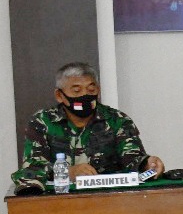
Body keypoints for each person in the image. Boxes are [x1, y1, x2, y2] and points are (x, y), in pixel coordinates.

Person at [11, 62, 164, 194]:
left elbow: (132, 159)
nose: (85, 95)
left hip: (110, 198)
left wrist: (147, 163)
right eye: (76, 91)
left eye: (91, 90)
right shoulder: (43, 121)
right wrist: (67, 172)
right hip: (59, 199)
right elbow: (32, 167)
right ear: (59, 95)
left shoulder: (117, 120)